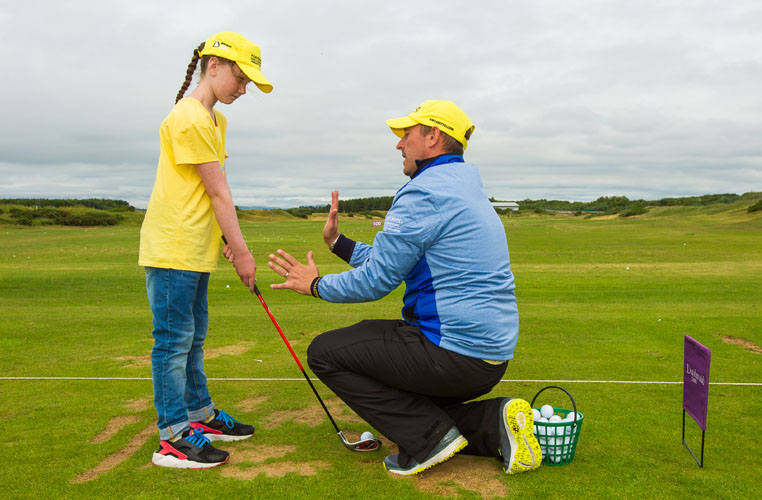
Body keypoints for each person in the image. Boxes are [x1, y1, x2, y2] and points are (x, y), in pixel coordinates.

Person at [267, 100, 542, 475]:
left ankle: (429, 440)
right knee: (406, 393)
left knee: (326, 352)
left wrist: (315, 285)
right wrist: (337, 244)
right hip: (488, 360)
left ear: (433, 137)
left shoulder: (423, 192)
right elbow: (395, 261)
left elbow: (378, 279)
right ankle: (492, 421)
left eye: (406, 135)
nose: (399, 144)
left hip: (451, 353)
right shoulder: (462, 187)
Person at [138, 32, 273, 469]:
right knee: (174, 342)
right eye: (240, 76)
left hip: (195, 247)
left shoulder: (216, 121)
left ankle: (201, 416)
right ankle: (173, 437)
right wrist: (243, 249)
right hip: (173, 246)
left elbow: (200, 194)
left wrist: (224, 242)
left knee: (193, 339)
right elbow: (219, 194)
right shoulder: (189, 117)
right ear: (212, 66)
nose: (243, 88)